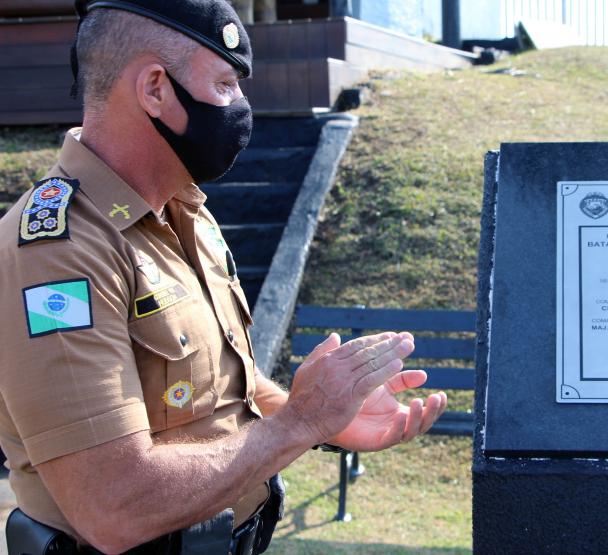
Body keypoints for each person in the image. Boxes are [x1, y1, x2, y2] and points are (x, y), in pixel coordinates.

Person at [0, 1, 447, 553]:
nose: (241, 107)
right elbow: (113, 507)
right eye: (225, 85)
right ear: (155, 89)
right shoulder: (59, 251)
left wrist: (329, 417)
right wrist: (300, 422)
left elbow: (218, 383)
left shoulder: (184, 212)